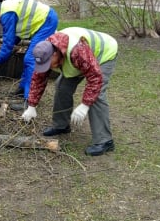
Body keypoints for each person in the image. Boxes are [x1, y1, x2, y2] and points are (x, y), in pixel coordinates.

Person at [21, 27, 118, 156]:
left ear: (55, 54)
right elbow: (38, 78)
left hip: (103, 53)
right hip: (81, 60)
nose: (48, 67)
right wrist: (32, 105)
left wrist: (85, 105)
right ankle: (61, 125)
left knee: (97, 95)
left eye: (48, 63)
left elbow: (95, 79)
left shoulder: (77, 51)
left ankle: (104, 141)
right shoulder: (44, 50)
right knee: (62, 86)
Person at [0, 0, 59, 109]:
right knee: (27, 59)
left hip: (46, 22)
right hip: (45, 20)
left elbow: (8, 42)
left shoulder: (6, 14)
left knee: (30, 59)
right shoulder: (6, 10)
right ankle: (22, 89)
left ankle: (29, 101)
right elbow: (14, 37)